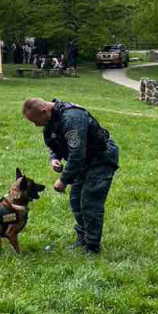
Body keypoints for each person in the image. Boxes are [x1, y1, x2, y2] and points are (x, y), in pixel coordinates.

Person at [22, 98, 120, 254]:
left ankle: (92, 247)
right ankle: (83, 239)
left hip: (101, 157)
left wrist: (63, 180)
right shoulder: (52, 118)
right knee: (75, 198)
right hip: (85, 159)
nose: (36, 125)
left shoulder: (72, 117)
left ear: (44, 111)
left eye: (36, 121)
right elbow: (55, 141)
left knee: (90, 201)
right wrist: (54, 158)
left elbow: (77, 155)